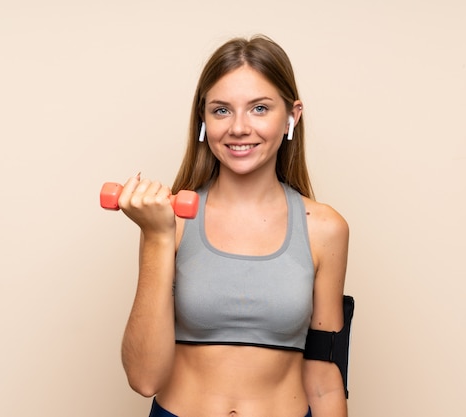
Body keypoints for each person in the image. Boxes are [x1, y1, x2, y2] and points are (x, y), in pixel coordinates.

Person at [117, 35, 350, 417]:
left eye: (259, 108)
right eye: (222, 111)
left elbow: (325, 377)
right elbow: (144, 379)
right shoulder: (168, 220)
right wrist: (156, 235)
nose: (239, 128)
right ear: (203, 119)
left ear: (292, 116)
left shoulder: (326, 228)